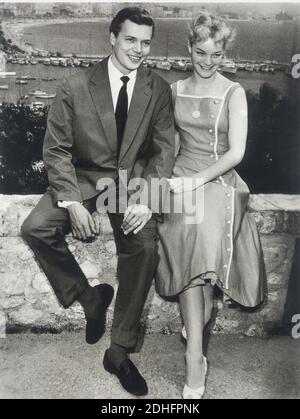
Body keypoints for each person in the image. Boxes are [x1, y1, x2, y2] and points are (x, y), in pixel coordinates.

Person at [21, 7, 175, 397]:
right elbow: (56, 150)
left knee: (144, 246)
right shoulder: (74, 85)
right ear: (112, 37)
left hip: (133, 185)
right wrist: (72, 201)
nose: (138, 50)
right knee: (35, 227)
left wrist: (149, 198)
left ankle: (119, 351)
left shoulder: (157, 89)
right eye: (130, 40)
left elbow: (163, 151)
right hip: (85, 180)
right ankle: (89, 297)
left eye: (145, 42)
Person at [156, 12, 266, 399]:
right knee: (188, 236)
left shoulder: (233, 92)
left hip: (218, 180)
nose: (207, 61)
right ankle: (197, 336)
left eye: (216, 54)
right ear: (189, 48)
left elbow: (236, 153)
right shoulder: (174, 89)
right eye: (200, 52)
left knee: (197, 229)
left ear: (224, 53)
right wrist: (158, 188)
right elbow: (166, 147)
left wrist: (195, 181)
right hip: (181, 176)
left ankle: (193, 355)